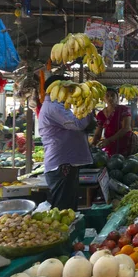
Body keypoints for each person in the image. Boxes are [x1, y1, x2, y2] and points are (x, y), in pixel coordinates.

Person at [39, 75, 94, 210]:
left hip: (65, 163)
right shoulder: (53, 106)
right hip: (62, 164)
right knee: (64, 209)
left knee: (69, 208)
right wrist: (86, 105)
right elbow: (77, 123)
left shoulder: (59, 106)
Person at [92, 88, 134, 157]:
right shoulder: (100, 114)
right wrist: (93, 143)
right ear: (103, 99)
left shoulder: (124, 109)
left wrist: (109, 140)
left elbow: (126, 128)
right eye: (107, 96)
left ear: (117, 97)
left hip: (125, 144)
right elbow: (98, 131)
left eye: (112, 95)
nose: (110, 98)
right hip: (110, 146)